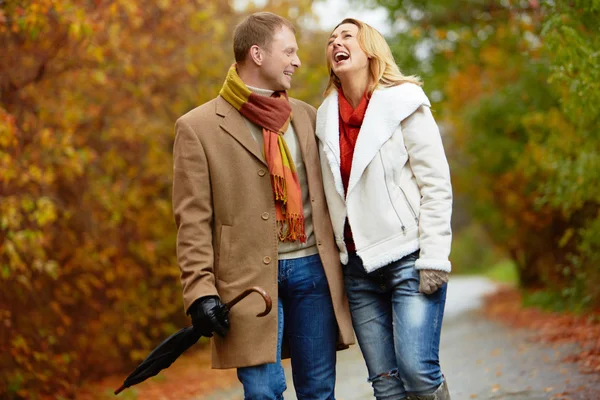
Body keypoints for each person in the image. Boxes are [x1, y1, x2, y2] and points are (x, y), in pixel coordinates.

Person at [171, 11, 354, 400]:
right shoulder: (197, 127)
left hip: (313, 272)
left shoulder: (306, 117)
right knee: (263, 392)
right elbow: (192, 220)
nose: (297, 61)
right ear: (257, 54)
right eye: (288, 51)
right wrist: (200, 291)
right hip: (246, 284)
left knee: (319, 391)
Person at [315, 18, 452, 400]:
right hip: (357, 270)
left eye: (346, 36)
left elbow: (436, 184)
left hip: (409, 259)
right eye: (331, 40)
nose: (335, 43)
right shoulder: (324, 117)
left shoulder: (405, 101)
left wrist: (435, 257)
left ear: (371, 49)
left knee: (418, 373)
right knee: (386, 386)